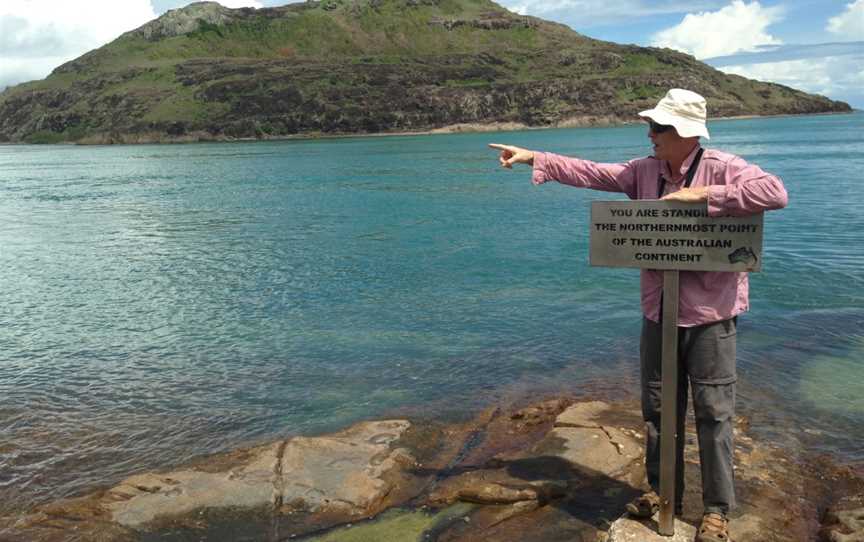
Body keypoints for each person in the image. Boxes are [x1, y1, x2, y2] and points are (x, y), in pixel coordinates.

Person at [489, 89, 787, 542]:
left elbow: (775, 192)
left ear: (686, 133)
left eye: (659, 128)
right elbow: (593, 172)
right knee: (658, 409)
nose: (651, 135)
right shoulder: (643, 171)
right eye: (652, 126)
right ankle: (662, 491)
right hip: (658, 311)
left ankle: (717, 511)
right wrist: (534, 157)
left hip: (711, 316)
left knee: (713, 413)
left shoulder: (725, 166)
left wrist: (706, 195)